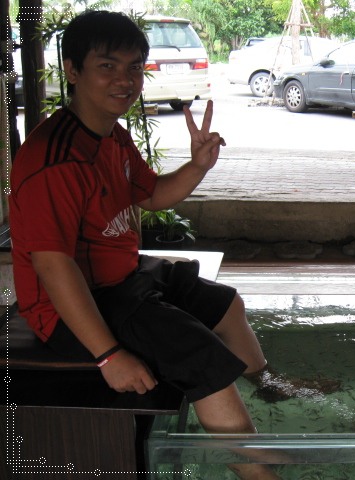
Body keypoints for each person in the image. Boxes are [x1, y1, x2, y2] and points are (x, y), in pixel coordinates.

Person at [9, 10, 337, 479]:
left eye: (134, 68)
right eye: (107, 66)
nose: (125, 80)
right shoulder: (56, 159)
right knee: (200, 356)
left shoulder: (111, 135)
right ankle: (257, 470)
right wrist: (108, 355)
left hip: (122, 277)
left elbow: (152, 195)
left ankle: (265, 384)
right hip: (74, 304)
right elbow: (53, 267)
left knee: (226, 305)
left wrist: (198, 165)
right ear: (73, 71)